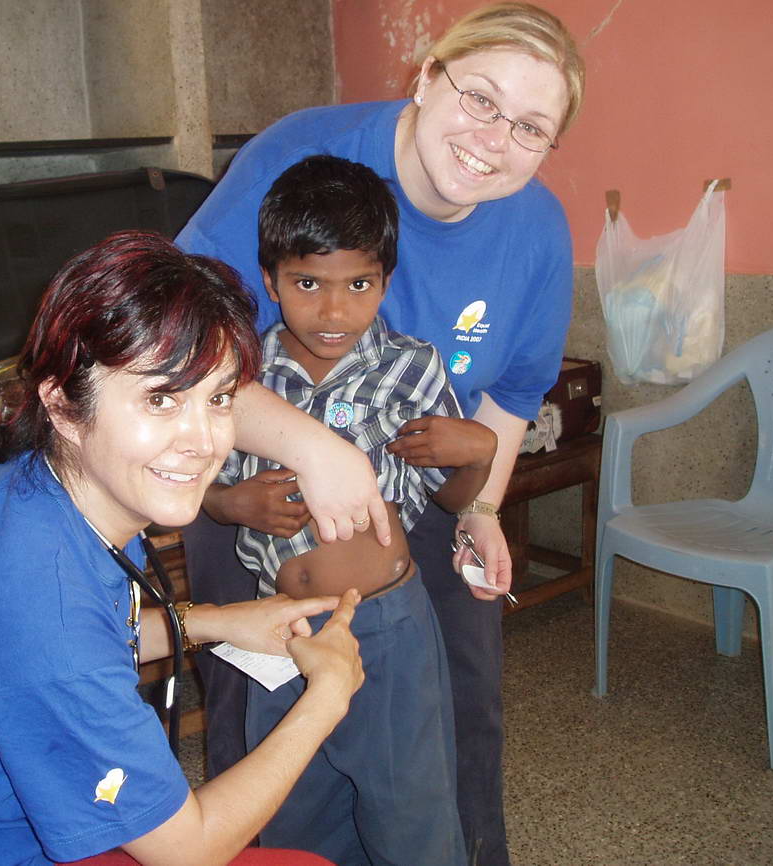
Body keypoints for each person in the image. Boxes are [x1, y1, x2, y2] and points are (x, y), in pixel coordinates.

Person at [0, 231, 379, 866]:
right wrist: (327, 694)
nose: (204, 442)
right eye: (160, 399)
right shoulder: (41, 605)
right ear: (63, 404)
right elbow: (188, 851)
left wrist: (214, 622)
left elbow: (81, 637)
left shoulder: (24, 472)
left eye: (219, 398)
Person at [176, 5, 586, 864]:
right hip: (262, 494)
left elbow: (509, 396)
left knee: (456, 713)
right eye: (479, 98)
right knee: (271, 729)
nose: (493, 139)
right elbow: (180, 345)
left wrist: (480, 512)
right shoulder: (302, 159)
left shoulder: (535, 230)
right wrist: (310, 449)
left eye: (529, 127)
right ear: (427, 77)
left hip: (417, 493)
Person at [208, 155, 495, 865]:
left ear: (385, 282)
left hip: (385, 624)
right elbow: (193, 485)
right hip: (278, 628)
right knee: (291, 809)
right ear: (270, 280)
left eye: (358, 284)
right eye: (308, 283)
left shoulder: (410, 366)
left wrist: (479, 455)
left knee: (410, 812)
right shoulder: (241, 377)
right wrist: (230, 503)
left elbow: (448, 500)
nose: (333, 311)